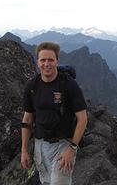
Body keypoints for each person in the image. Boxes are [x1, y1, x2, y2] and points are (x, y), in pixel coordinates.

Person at [20, 42, 87, 185]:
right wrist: (24, 150)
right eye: (43, 60)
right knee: (46, 182)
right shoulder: (32, 86)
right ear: (37, 62)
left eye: (50, 60)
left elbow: (82, 119)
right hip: (40, 146)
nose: (47, 64)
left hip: (63, 144)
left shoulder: (68, 85)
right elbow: (27, 118)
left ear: (57, 61)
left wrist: (72, 148)